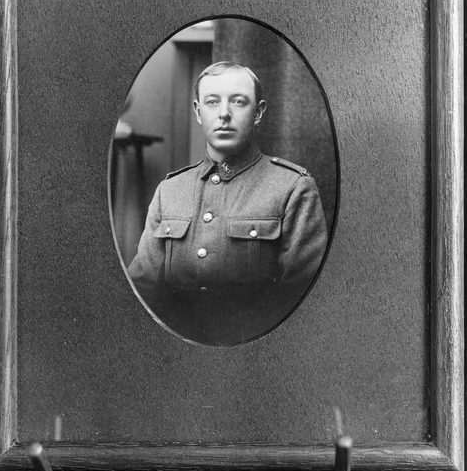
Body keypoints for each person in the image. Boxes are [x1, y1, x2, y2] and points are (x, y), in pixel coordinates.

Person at [128, 61, 328, 344]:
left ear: (258, 112)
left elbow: (305, 299)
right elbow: (140, 289)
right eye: (212, 102)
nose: (224, 114)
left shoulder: (293, 188)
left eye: (238, 101)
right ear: (198, 112)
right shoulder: (169, 191)